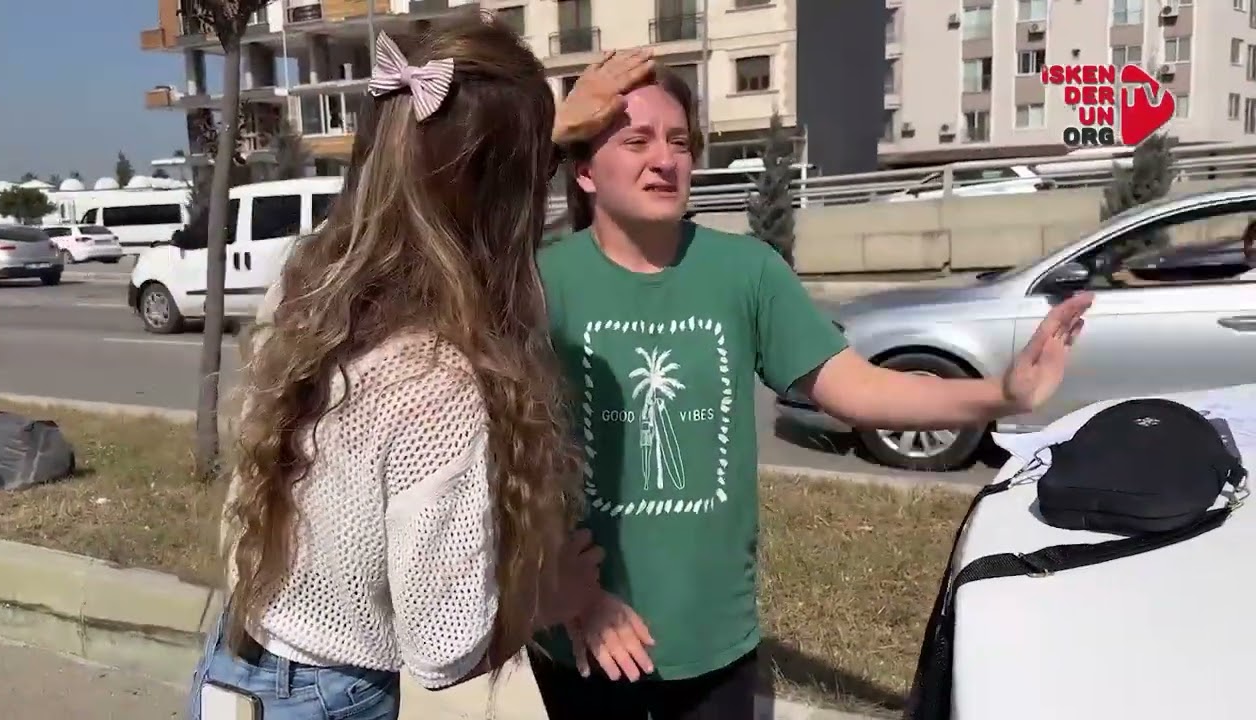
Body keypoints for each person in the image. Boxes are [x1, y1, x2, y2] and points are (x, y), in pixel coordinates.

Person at [530, 66, 1092, 719]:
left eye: (679, 142)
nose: (665, 159)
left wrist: (1003, 393)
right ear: (585, 171)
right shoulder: (538, 281)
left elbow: (855, 389)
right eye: (637, 141)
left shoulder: (745, 271)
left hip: (714, 636)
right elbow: (505, 459)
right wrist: (563, 587)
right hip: (582, 632)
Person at [188, 17, 652, 720]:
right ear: (507, 198)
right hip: (330, 700)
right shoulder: (436, 383)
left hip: (231, 668)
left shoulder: (306, 282)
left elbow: (423, 180)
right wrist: (546, 598)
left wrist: (530, 136)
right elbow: (442, 650)